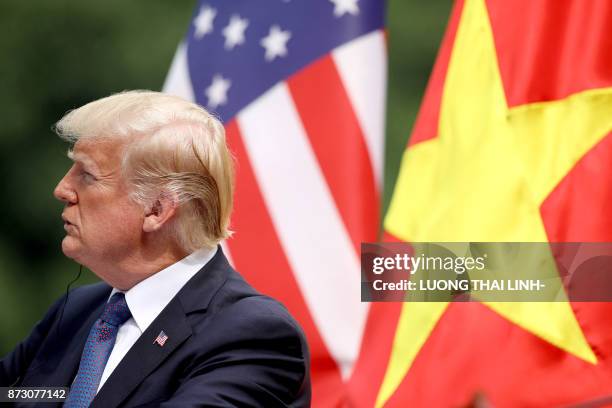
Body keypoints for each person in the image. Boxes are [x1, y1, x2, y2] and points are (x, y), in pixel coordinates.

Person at [0, 91, 311, 407]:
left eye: (87, 175)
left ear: (157, 210)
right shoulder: (78, 309)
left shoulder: (252, 335)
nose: (62, 189)